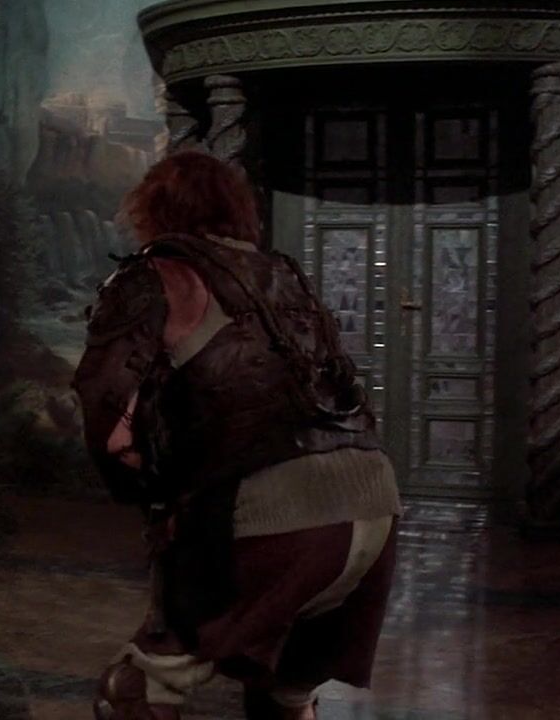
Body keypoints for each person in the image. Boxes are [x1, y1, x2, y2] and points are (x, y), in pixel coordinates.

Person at [73, 152, 402, 720]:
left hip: (275, 514)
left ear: (152, 208)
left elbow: (109, 422)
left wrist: (150, 491)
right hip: (375, 510)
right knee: (284, 694)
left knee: (138, 689)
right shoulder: (284, 273)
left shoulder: (156, 274)